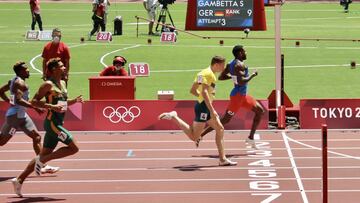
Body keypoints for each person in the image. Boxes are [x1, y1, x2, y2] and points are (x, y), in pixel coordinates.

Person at [11, 58, 83, 197]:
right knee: (74, 148)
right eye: (61, 66)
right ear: (54, 69)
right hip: (52, 124)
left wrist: (74, 101)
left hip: (58, 122)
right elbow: (34, 102)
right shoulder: (47, 85)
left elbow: (62, 101)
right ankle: (44, 161)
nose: (64, 68)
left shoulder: (62, 82)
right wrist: (51, 106)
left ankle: (19, 179)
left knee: (42, 154)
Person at [158, 56, 237, 166]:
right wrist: (212, 110)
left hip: (203, 105)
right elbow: (204, 92)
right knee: (194, 137)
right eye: (222, 65)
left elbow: (193, 90)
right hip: (204, 108)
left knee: (220, 128)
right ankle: (174, 117)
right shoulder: (209, 75)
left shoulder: (203, 73)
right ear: (216, 64)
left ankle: (222, 159)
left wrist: (202, 99)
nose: (224, 68)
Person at [198, 45, 265, 149]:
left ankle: (251, 138)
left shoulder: (230, 64)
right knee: (225, 120)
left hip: (243, 96)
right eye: (244, 51)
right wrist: (253, 75)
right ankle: (201, 135)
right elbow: (242, 81)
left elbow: (221, 77)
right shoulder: (239, 65)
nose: (246, 53)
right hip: (237, 98)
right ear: (240, 53)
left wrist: (233, 77)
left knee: (260, 111)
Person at [0, 62, 59, 174]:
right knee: (2, 142)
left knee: (36, 137)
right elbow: (19, 100)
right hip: (15, 118)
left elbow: (1, 91)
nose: (28, 71)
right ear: (20, 71)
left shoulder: (13, 80)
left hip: (22, 116)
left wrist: (8, 101)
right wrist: (35, 108)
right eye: (26, 69)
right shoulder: (19, 83)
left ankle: (42, 165)